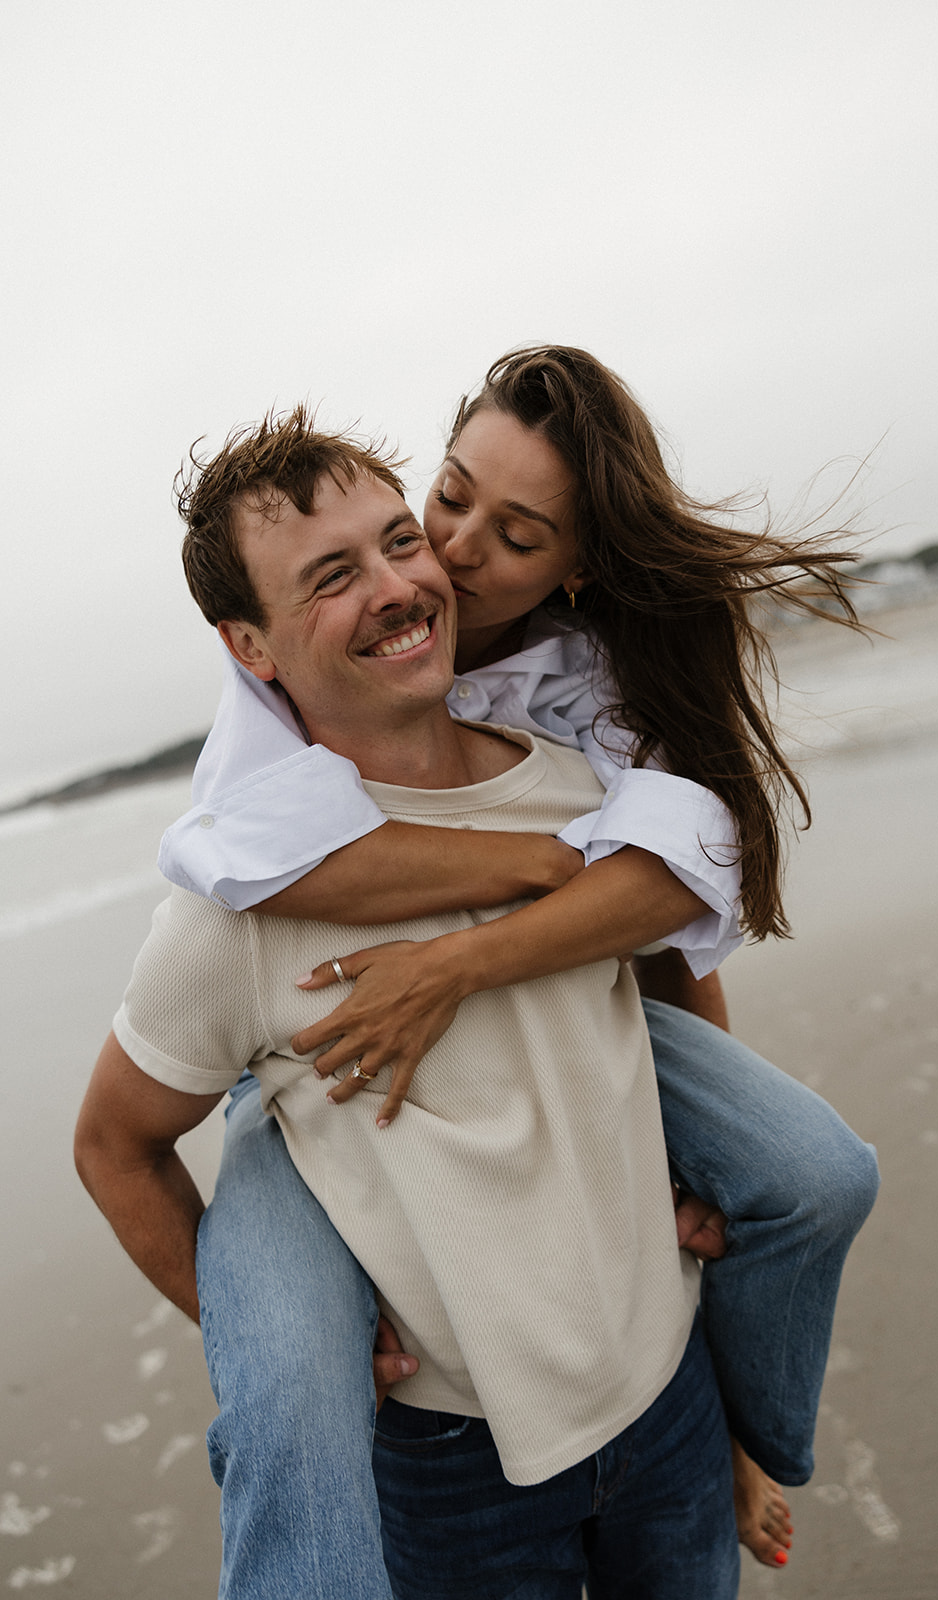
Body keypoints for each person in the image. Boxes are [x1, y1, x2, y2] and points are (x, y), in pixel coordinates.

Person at [157, 351, 879, 1568]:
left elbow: (661, 906)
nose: (452, 548)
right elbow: (252, 869)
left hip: (542, 986)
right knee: (287, 1386)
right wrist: (523, 868)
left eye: (518, 533)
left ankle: (744, 1444)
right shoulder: (301, 685)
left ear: (576, 565)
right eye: (451, 496)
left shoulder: (585, 688)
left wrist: (685, 1128)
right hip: (312, 1044)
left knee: (811, 1174)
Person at [76, 425, 747, 1599]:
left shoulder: (580, 790)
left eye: (398, 541)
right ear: (251, 647)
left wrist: (704, 1167)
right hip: (451, 1459)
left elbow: (671, 973)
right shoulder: (235, 910)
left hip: (668, 1383)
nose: (396, 587)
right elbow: (114, 1144)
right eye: (330, 577)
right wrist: (296, 1353)